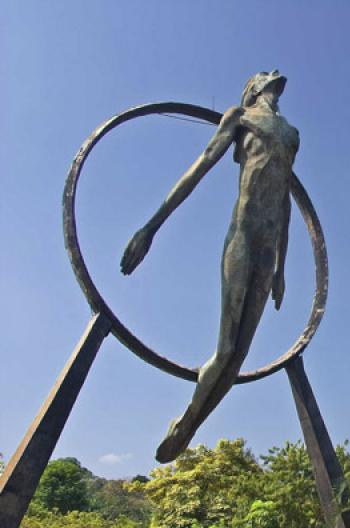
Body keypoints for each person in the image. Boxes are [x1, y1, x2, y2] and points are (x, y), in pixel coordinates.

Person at [120, 71, 299, 463]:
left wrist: (283, 268)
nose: (274, 81)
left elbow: (285, 201)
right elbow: (201, 166)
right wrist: (150, 227)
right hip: (243, 236)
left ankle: (190, 427)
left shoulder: (292, 133)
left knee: (238, 359)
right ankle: (186, 422)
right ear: (254, 88)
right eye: (266, 78)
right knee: (225, 349)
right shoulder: (240, 116)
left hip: (269, 247)